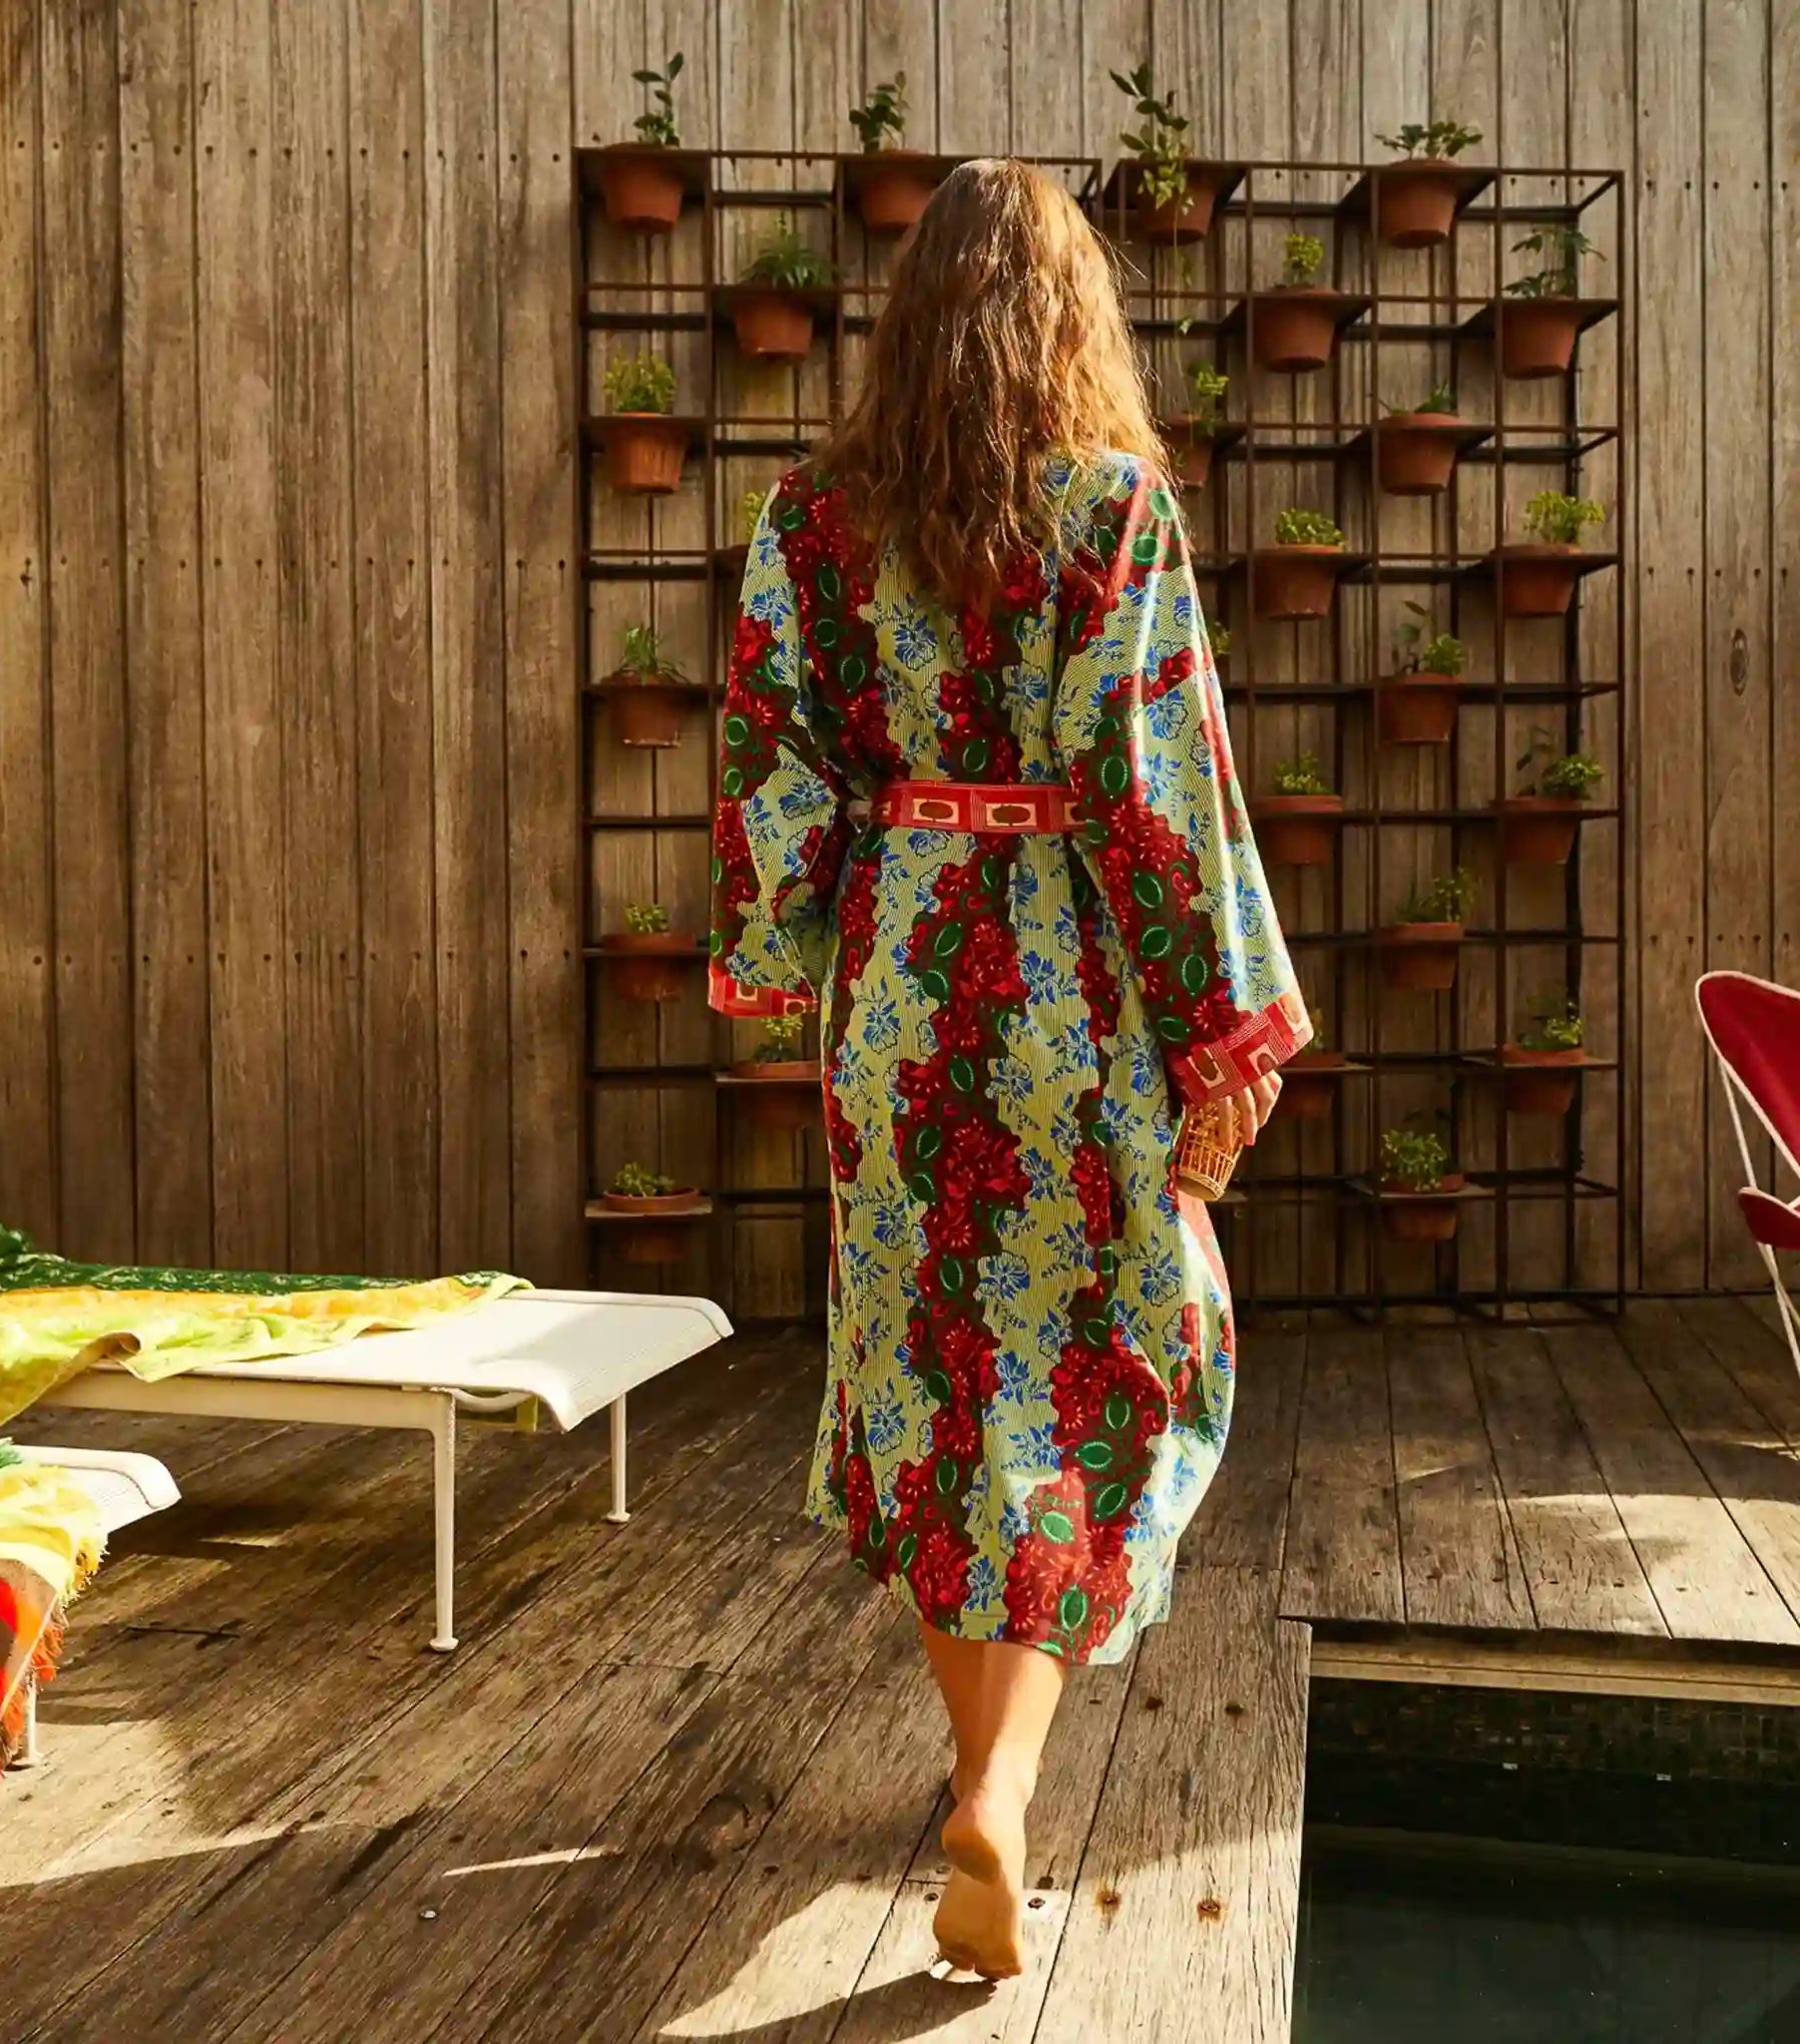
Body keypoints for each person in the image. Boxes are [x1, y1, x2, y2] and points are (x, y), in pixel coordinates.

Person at [707, 157, 1307, 1981]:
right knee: (1105, 1369)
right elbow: (1153, 791)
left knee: (938, 1378)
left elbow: (776, 769)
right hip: (1069, 1004)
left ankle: (980, 1776)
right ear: (1072, 318)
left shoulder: (811, 522)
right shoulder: (1112, 514)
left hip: (896, 996)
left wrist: (791, 943)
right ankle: (1010, 1782)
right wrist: (1223, 1027)